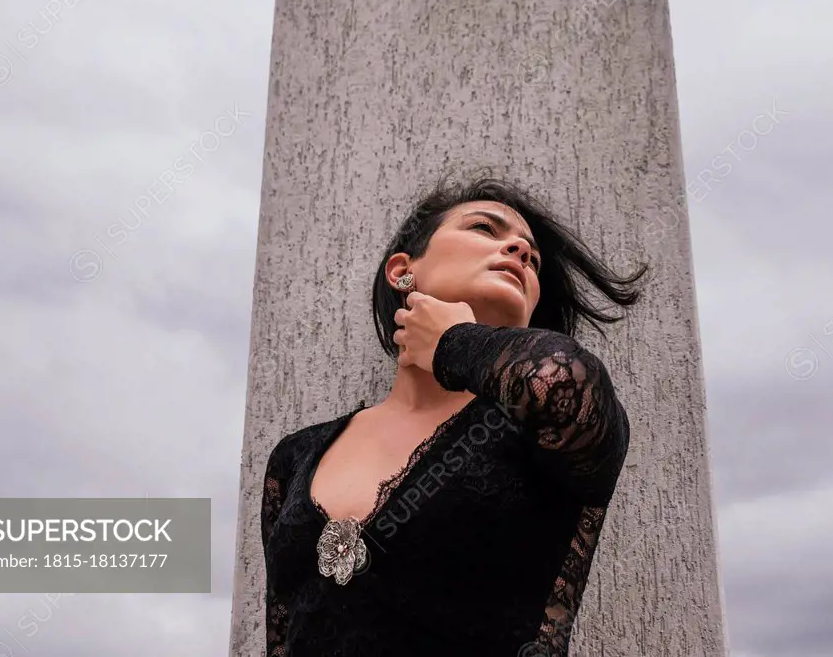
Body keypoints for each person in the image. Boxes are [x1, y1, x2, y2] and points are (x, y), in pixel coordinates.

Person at [260, 172, 648, 656]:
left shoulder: (539, 419)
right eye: (485, 229)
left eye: (532, 256)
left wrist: (451, 343)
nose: (521, 253)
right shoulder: (294, 457)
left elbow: (566, 378)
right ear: (402, 269)